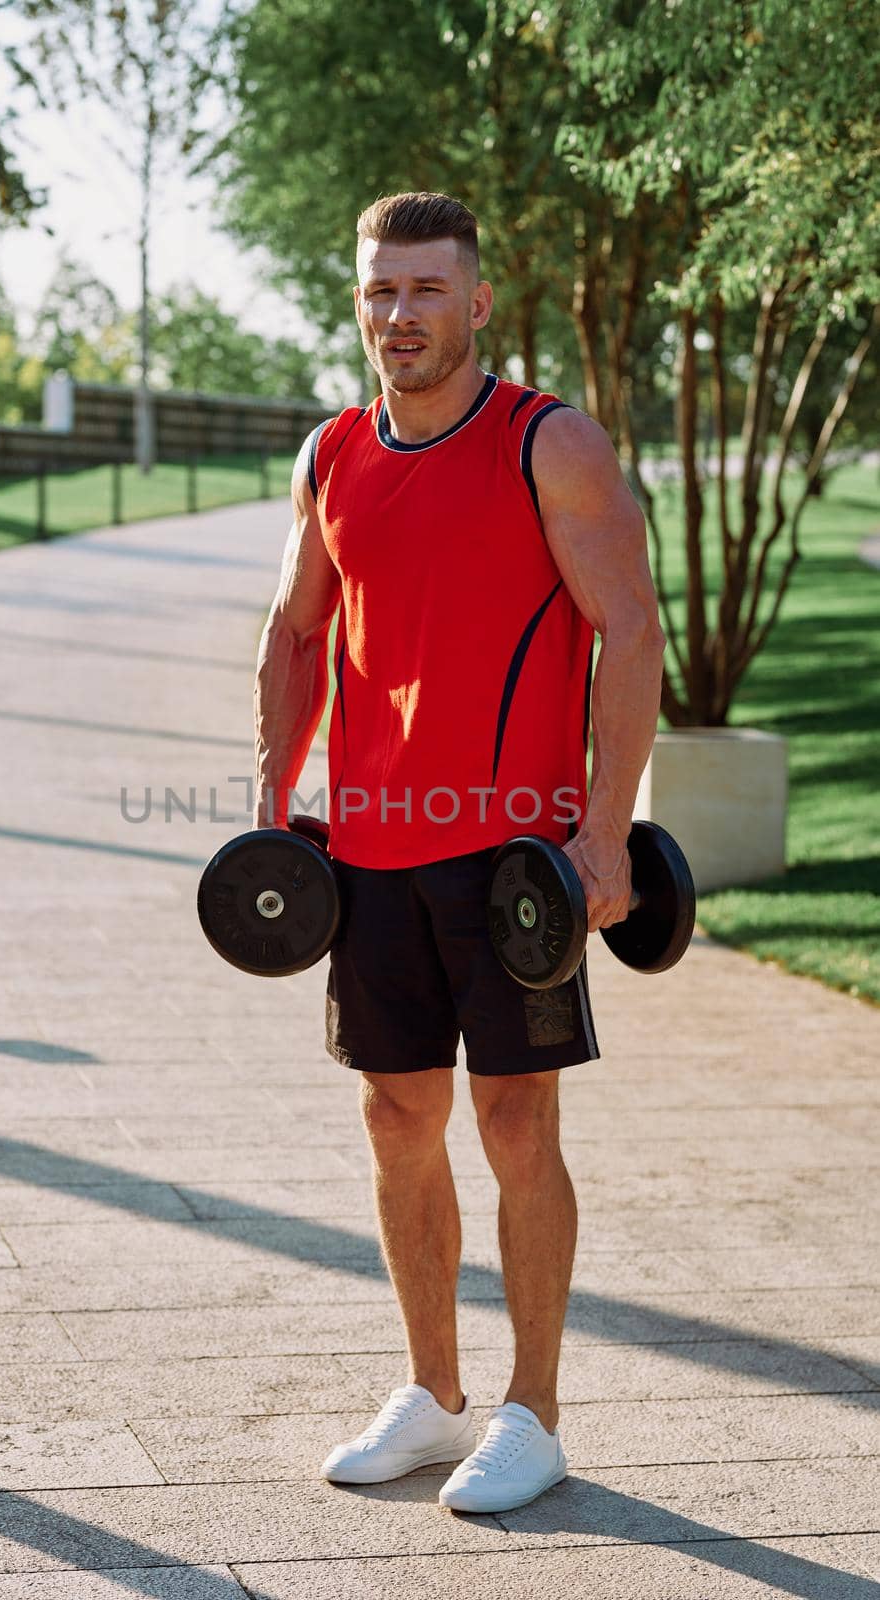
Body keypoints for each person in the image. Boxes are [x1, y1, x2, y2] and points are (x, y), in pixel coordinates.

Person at [252, 192, 665, 1514]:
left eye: (427, 290)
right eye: (380, 291)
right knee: (394, 1115)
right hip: (371, 849)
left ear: (478, 303)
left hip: (516, 864)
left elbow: (632, 633)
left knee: (515, 1117)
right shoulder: (331, 456)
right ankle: (433, 1396)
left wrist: (603, 828)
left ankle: (533, 1411)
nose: (400, 315)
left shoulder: (550, 443)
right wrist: (274, 811)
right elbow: (296, 634)